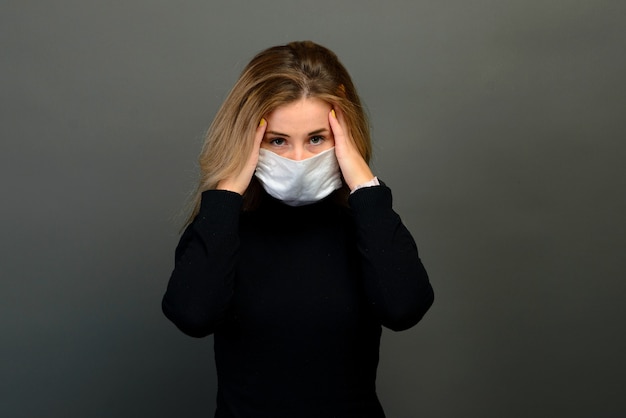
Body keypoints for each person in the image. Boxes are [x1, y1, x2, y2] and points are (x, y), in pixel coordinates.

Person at [162, 40, 434, 418]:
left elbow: (404, 309)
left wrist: (365, 186)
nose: (298, 160)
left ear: (343, 136)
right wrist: (226, 194)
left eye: (316, 138)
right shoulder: (221, 229)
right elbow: (193, 315)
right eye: (278, 140)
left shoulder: (368, 225)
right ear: (250, 139)